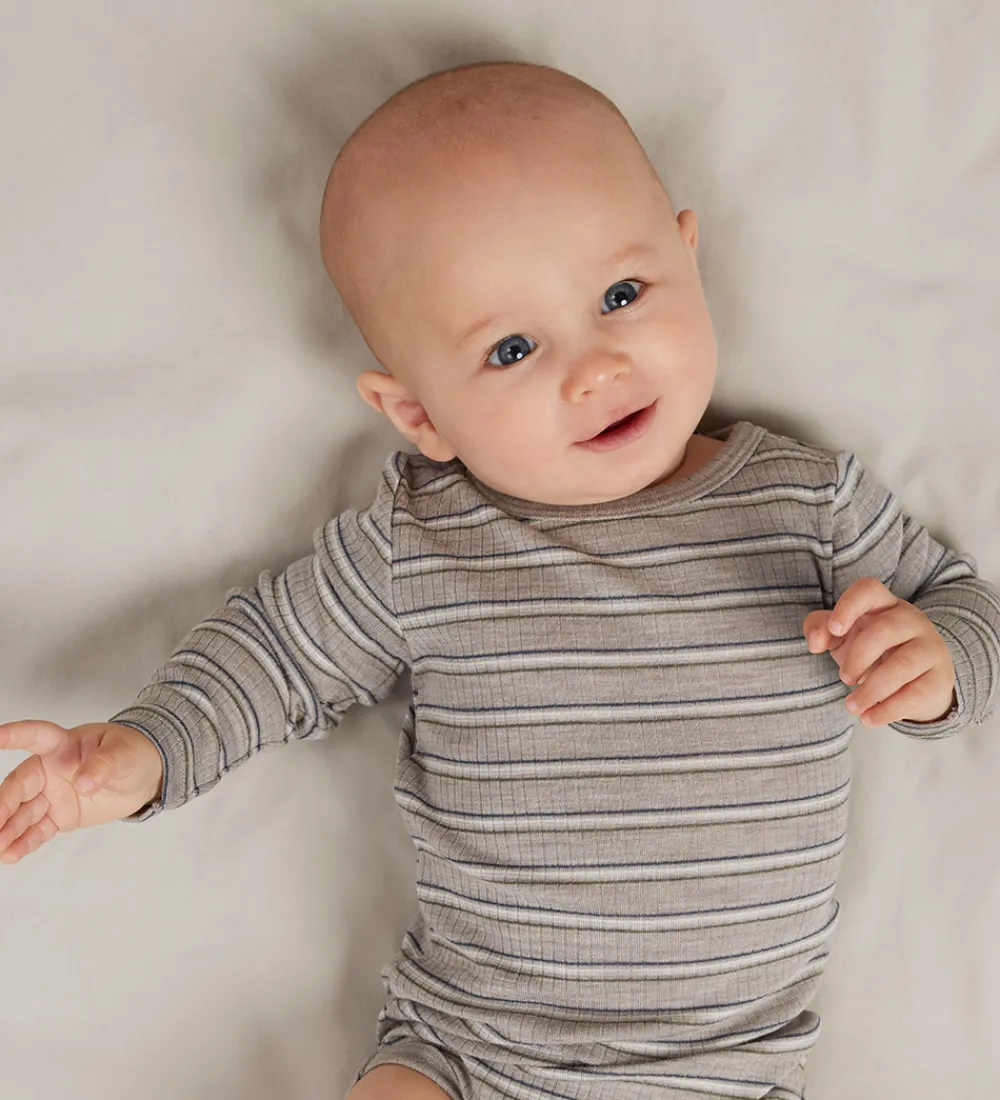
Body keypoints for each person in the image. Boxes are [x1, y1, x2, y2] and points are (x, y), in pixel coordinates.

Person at [1, 60, 997, 1100]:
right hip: (472, 1054)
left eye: (622, 295)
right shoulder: (426, 542)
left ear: (688, 258)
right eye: (513, 348)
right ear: (419, 416)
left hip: (717, 1069)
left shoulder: (808, 504)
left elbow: (970, 611)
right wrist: (149, 747)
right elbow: (277, 654)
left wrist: (932, 661)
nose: (594, 367)